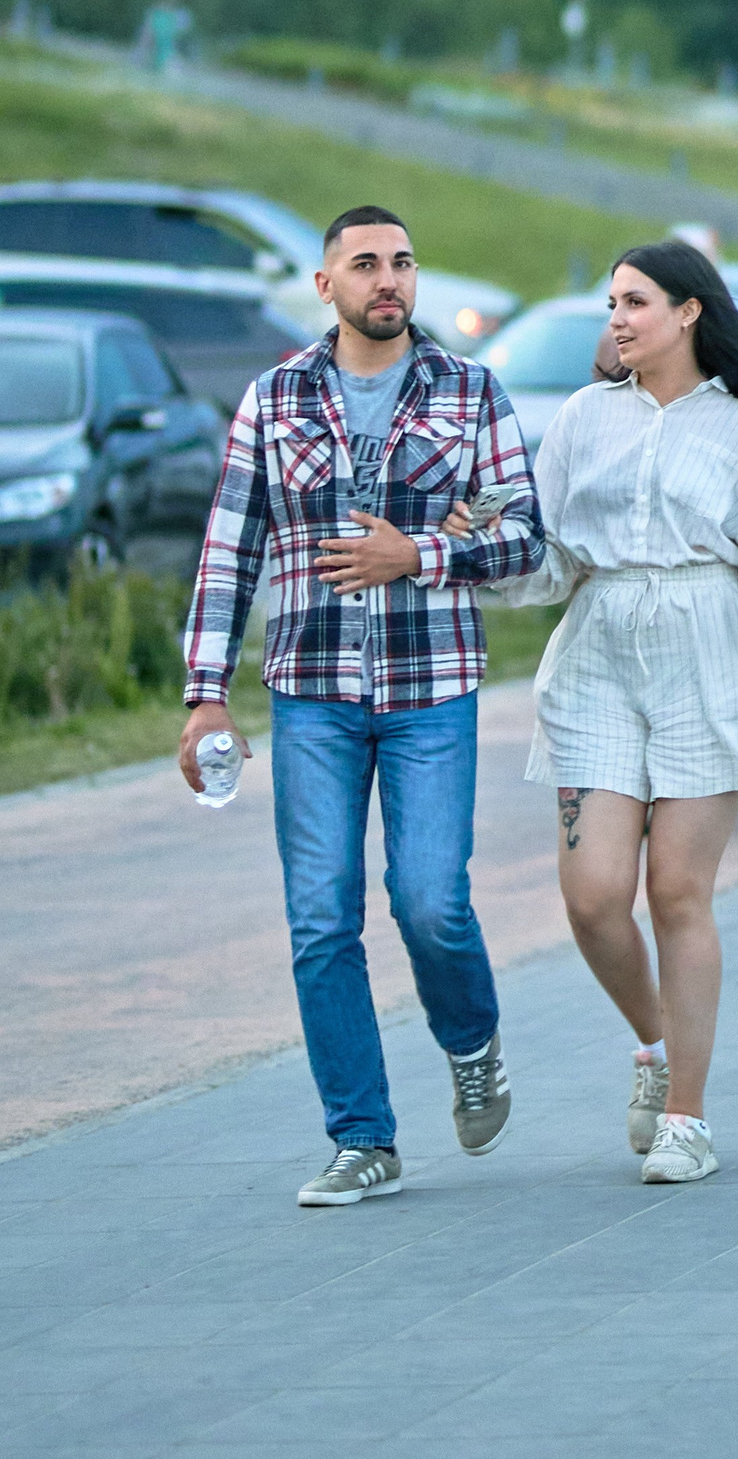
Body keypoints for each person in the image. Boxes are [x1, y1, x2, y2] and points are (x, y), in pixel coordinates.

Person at [177, 205, 546, 1207]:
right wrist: (204, 694)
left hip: (433, 691)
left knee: (429, 899)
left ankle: (471, 1041)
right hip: (311, 695)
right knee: (318, 920)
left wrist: (418, 554)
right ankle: (363, 1138)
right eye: (367, 264)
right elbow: (228, 549)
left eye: (404, 263)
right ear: (326, 284)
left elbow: (526, 541)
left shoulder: (469, 393)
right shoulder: (275, 397)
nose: (390, 280)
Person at [462, 240, 738, 1185]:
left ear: (689, 312)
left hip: (711, 655)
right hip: (598, 659)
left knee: (675, 890)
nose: (616, 320)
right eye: (611, 304)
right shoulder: (584, 419)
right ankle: (656, 1044)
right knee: (591, 898)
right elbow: (549, 561)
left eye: (635, 302)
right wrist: (481, 545)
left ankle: (688, 1118)